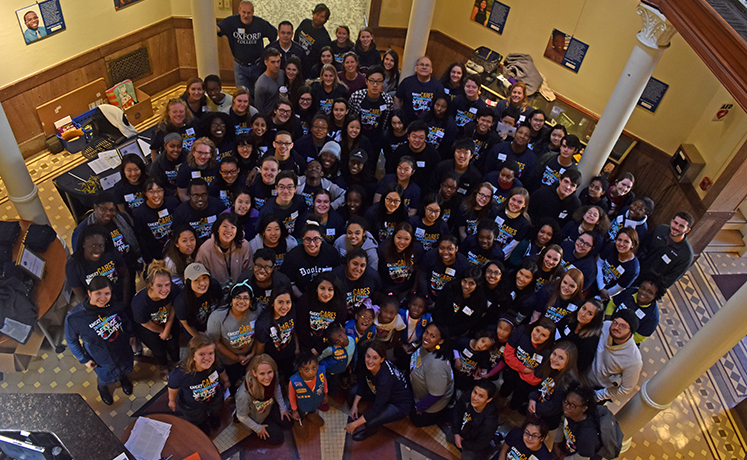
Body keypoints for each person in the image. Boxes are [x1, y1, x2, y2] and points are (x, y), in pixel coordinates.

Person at [65, 276, 134, 406]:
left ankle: (124, 379)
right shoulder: (75, 317)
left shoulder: (114, 305)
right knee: (105, 378)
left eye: (107, 293)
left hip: (121, 348)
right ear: (89, 293)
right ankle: (102, 389)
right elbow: (72, 341)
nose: (103, 298)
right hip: (100, 357)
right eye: (98, 293)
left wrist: (131, 334)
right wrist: (84, 359)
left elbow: (124, 319)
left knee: (124, 369)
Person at [346, 341, 413, 440]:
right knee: (352, 393)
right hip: (382, 392)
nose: (370, 361)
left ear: (382, 359)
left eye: (375, 358)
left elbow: (377, 408)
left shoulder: (385, 379)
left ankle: (371, 430)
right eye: (368, 356)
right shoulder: (366, 364)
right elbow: (362, 382)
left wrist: (354, 425)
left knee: (371, 421)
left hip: (399, 404)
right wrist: (355, 405)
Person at [168, 334, 230, 434]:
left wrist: (226, 381)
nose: (207, 358)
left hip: (214, 398)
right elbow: (172, 387)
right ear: (193, 356)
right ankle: (202, 424)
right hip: (192, 405)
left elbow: (222, 371)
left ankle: (214, 418)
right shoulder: (180, 374)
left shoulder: (216, 364)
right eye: (202, 354)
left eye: (210, 353)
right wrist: (172, 401)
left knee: (216, 410)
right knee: (197, 418)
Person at [132, 261, 181, 380]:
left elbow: (174, 307)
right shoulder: (140, 303)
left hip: (169, 323)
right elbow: (146, 323)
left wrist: (167, 330)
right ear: (151, 285)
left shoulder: (174, 290)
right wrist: (162, 331)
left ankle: (176, 363)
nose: (165, 289)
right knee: (159, 351)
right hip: (150, 331)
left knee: (174, 346)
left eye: (167, 285)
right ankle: (163, 366)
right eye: (159, 285)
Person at [207, 281, 260, 390]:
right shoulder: (217, 318)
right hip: (227, 360)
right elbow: (215, 343)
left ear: (251, 302)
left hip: (250, 355)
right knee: (230, 386)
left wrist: (253, 353)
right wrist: (236, 358)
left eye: (246, 298)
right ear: (231, 300)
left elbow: (260, 335)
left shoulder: (257, 311)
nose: (241, 301)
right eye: (237, 297)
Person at [217, 0, 278, 94]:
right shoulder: (231, 21)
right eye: (244, 12)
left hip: (257, 65)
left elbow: (273, 33)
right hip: (240, 67)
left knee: (258, 92)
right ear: (239, 11)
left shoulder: (260, 23)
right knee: (242, 94)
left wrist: (267, 53)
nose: (246, 15)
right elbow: (217, 29)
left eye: (249, 13)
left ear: (253, 12)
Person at [584, 309, 643, 403]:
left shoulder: (634, 360)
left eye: (622, 326)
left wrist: (598, 396)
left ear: (630, 332)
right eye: (615, 322)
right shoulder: (606, 326)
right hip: (583, 375)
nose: (616, 327)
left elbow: (626, 389)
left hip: (597, 389)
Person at [72, 192, 141, 269]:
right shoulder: (82, 230)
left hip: (128, 265)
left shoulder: (122, 219)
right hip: (107, 272)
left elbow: (133, 240)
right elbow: (80, 259)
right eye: (103, 209)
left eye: (111, 210)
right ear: (95, 207)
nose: (108, 213)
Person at [66, 224, 131, 305]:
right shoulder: (73, 265)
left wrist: (125, 301)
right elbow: (82, 297)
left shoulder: (110, 252)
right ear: (83, 244)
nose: (97, 250)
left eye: (101, 246)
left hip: (120, 299)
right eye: (92, 246)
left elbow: (125, 275)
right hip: (99, 306)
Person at [235, 354, 293, 444]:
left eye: (270, 372)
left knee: (289, 422)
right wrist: (258, 428)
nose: (267, 377)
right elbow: (241, 416)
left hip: (268, 406)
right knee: (278, 439)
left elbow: (276, 388)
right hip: (256, 418)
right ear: (254, 373)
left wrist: (283, 408)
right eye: (262, 374)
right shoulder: (243, 394)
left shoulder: (274, 376)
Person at [500, 317, 556, 410]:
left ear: (548, 338)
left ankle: (510, 412)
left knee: (517, 400)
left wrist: (520, 373)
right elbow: (508, 354)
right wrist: (523, 369)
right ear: (533, 327)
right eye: (537, 330)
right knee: (505, 389)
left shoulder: (548, 352)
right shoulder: (522, 331)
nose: (537, 336)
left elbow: (537, 378)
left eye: (543, 335)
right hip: (512, 371)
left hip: (526, 382)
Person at [409, 323, 454, 426]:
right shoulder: (427, 347)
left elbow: (436, 395)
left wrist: (419, 407)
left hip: (432, 404)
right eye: (426, 332)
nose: (427, 337)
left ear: (440, 341)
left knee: (416, 421)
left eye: (432, 336)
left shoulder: (436, 367)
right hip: (418, 391)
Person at [527, 341, 579, 430]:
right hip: (536, 406)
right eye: (554, 354)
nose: (555, 359)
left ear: (569, 362)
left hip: (547, 419)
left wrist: (536, 408)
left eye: (561, 358)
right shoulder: (549, 366)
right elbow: (537, 384)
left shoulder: (568, 381)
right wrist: (532, 398)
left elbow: (554, 407)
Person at [636, 211, 694, 289]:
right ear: (671, 221)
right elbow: (643, 247)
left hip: (648, 286)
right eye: (675, 223)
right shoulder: (659, 229)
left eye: (681, 226)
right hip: (636, 270)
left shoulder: (686, 255)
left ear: (687, 230)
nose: (676, 227)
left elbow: (671, 278)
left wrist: (651, 286)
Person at [280, 223, 341, 297]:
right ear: (302, 240)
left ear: (321, 239)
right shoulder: (292, 257)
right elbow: (290, 284)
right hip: (302, 296)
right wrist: (303, 299)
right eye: (308, 239)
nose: (312, 244)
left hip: (328, 296)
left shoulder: (331, 252)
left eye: (316, 239)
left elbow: (337, 279)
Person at [195, 213, 253, 290]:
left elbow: (248, 272)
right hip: (214, 292)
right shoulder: (205, 249)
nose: (228, 231)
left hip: (239, 292)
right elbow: (200, 276)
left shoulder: (244, 246)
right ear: (218, 229)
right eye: (225, 226)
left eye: (233, 227)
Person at [296, 272, 347, 355]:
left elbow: (337, 328)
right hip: (307, 345)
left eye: (330, 289)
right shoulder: (304, 301)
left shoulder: (340, 303)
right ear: (316, 288)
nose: (326, 294)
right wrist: (309, 350)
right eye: (322, 288)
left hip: (329, 344)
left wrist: (319, 348)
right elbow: (301, 328)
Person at [605, 274, 665, 344]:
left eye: (650, 292)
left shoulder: (652, 317)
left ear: (656, 296)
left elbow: (638, 337)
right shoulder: (629, 292)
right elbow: (613, 304)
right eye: (642, 288)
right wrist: (607, 323)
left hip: (623, 341)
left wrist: (616, 338)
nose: (643, 292)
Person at [348, 66, 395, 154]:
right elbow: (351, 115)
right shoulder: (357, 97)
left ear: (382, 82)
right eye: (372, 81)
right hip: (358, 137)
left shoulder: (387, 100)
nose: (375, 85)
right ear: (366, 81)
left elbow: (386, 120)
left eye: (378, 81)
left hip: (376, 139)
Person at [449, 380, 501, 459]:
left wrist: (463, 443)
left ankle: (494, 439)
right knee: (450, 437)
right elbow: (456, 412)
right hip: (464, 431)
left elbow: (480, 444)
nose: (475, 398)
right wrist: (456, 433)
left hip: (475, 440)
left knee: (467, 458)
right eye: (475, 392)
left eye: (481, 396)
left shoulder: (490, 422)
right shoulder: (466, 397)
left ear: (489, 400)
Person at [433, 266, 487, 337]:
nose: (466, 286)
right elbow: (439, 306)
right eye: (464, 281)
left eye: (471, 283)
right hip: (438, 324)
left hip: (457, 334)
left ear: (478, 285)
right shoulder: (451, 287)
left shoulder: (480, 301)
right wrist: (440, 327)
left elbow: (471, 322)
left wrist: (451, 333)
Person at [174, 263, 223, 338]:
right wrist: (199, 337)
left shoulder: (214, 286)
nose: (202, 283)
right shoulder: (181, 302)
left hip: (216, 326)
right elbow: (185, 323)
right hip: (195, 331)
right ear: (187, 282)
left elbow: (221, 304)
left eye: (204, 278)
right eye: (196, 280)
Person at [235, 247, 292, 312]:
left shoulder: (283, 282)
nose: (262, 271)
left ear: (273, 268)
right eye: (258, 266)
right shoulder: (244, 280)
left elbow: (289, 305)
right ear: (253, 265)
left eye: (267, 267)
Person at [555, 300, 604, 373]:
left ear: (595, 319)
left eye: (589, 313)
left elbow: (581, 367)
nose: (583, 314)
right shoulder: (569, 318)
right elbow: (555, 332)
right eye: (584, 308)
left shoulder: (590, 341)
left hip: (565, 371)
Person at [552, 386, 601, 459]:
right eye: (566, 401)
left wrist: (564, 459)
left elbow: (583, 457)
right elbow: (563, 423)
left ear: (584, 408)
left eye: (573, 405)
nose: (567, 407)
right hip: (566, 449)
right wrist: (556, 444)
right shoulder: (569, 414)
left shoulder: (587, 434)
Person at [378, 222, 423, 299]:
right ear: (393, 236)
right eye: (399, 237)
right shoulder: (383, 249)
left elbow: (418, 270)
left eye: (406, 239)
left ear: (411, 239)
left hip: (407, 290)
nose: (402, 242)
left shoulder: (417, 249)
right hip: (387, 290)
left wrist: (413, 289)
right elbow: (379, 272)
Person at [288, 352, 328, 439]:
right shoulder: (294, 382)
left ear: (317, 365)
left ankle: (311, 414)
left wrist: (325, 393)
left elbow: (324, 381)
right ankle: (298, 423)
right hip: (300, 405)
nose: (311, 372)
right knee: (300, 415)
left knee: (313, 408)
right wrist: (294, 410)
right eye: (306, 369)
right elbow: (291, 397)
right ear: (300, 370)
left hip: (315, 401)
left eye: (314, 368)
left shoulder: (321, 371)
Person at [419, 235, 470, 303]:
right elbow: (422, 278)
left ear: (456, 249)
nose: (445, 252)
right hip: (429, 294)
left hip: (449, 299)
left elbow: (460, 288)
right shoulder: (430, 256)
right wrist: (428, 299)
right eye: (441, 248)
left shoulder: (463, 264)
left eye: (450, 249)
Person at [174, 178, 226, 243]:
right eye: (196, 195)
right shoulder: (181, 212)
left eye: (203, 195)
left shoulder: (218, 205)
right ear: (189, 195)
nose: (200, 199)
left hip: (215, 244)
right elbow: (178, 238)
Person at [595, 227, 640, 301]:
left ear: (633, 244)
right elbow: (599, 264)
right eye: (619, 240)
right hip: (596, 280)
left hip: (606, 295)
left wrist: (602, 295)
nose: (621, 244)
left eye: (626, 241)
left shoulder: (633, 269)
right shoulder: (611, 247)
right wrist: (601, 287)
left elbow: (618, 288)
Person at [256, 170, 307, 235]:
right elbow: (259, 231)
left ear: (295, 188)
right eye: (281, 187)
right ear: (276, 188)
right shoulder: (267, 210)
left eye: (289, 187)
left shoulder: (300, 201)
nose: (285, 191)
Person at [395, 56, 445, 122]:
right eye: (421, 65)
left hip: (428, 124)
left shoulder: (438, 86)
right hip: (407, 123)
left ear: (431, 70)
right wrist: (398, 116)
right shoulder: (407, 82)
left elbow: (442, 105)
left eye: (427, 65)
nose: (424, 67)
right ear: (416, 68)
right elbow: (397, 98)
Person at [332, 248, 381, 314]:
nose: (358, 269)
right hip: (340, 315)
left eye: (362, 265)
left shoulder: (372, 276)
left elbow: (377, 295)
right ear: (348, 262)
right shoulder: (336, 276)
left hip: (362, 315)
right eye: (355, 264)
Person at [175, 138, 220, 202]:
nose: (202, 156)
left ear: (211, 154)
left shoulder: (217, 167)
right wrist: (197, 206)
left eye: (206, 153)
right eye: (200, 152)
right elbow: (182, 195)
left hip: (213, 202)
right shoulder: (184, 169)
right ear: (193, 152)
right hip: (192, 205)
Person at [294, 3, 332, 77]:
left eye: (322, 17)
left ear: (326, 20)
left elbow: (321, 60)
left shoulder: (325, 38)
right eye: (317, 14)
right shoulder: (305, 23)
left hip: (308, 70)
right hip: (296, 60)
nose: (318, 18)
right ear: (313, 13)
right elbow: (296, 37)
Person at [149, 132, 187, 197]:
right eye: (172, 146)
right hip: (169, 196)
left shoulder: (188, 156)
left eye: (179, 146)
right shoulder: (157, 163)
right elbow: (158, 185)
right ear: (165, 146)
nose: (176, 150)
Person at [424, 94, 458, 158]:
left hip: (439, 155)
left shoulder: (451, 123)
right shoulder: (425, 116)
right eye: (437, 105)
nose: (439, 108)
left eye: (443, 106)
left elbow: (448, 146)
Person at [254, 48, 285, 116]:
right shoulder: (261, 84)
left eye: (278, 61)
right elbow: (259, 108)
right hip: (268, 118)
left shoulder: (282, 74)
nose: (276, 65)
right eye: (273, 62)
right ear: (266, 62)